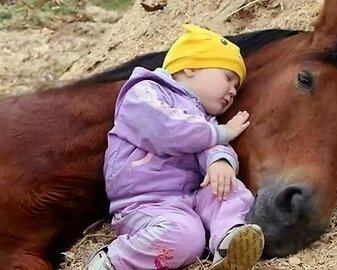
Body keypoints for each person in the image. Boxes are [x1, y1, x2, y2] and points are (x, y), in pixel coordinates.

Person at [84, 24, 264, 270]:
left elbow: (209, 143)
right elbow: (168, 130)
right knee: (185, 238)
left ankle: (229, 239)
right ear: (190, 66)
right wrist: (221, 133)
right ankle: (112, 262)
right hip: (146, 202)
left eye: (237, 87)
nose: (233, 91)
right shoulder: (145, 92)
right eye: (228, 78)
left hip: (188, 198)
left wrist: (220, 162)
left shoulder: (204, 121)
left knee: (227, 188)